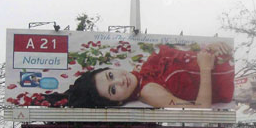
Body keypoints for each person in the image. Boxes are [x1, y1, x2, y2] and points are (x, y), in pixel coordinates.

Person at [46, 42, 234, 108]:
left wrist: (211, 48)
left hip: (234, 60)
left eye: (111, 75)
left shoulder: (148, 64)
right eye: (113, 90)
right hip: (236, 82)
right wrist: (205, 68)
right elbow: (201, 108)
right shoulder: (149, 91)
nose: (120, 80)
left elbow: (193, 57)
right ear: (117, 102)